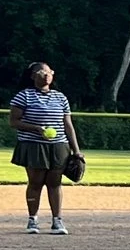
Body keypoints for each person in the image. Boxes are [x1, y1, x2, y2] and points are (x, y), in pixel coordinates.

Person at [8, 62, 81, 234]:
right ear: (33, 76)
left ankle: (57, 221)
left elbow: (68, 125)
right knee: (36, 182)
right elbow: (14, 122)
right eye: (41, 72)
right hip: (33, 145)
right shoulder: (23, 96)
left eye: (49, 72)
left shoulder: (60, 97)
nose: (46, 75)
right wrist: (36, 129)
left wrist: (76, 150)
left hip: (58, 145)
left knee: (55, 183)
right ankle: (33, 220)